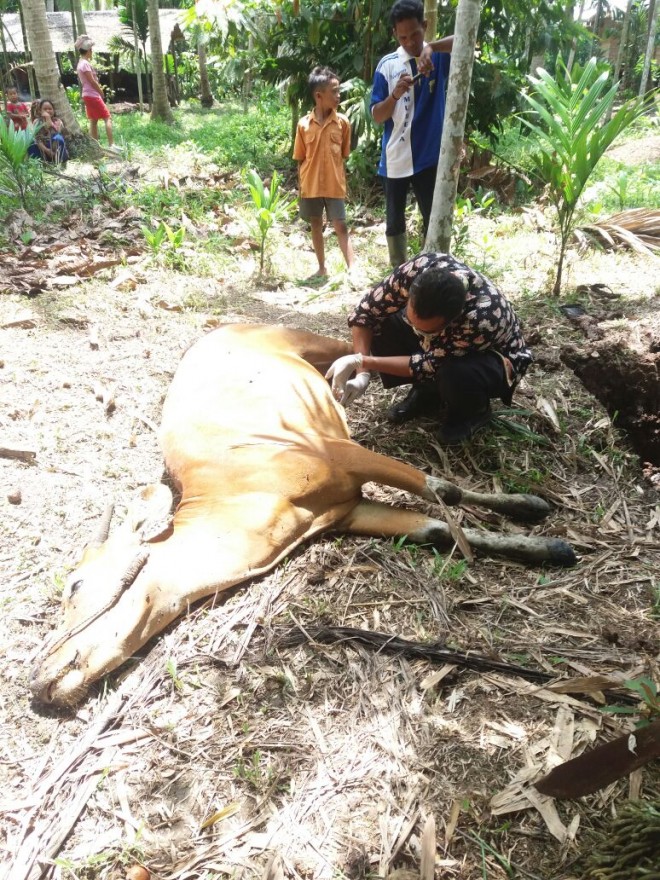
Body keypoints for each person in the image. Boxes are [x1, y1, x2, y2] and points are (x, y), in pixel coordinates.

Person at [325, 253, 533, 446]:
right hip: (441, 347)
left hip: (493, 359)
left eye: (426, 329)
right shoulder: (417, 270)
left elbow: (429, 364)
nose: (415, 330)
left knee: (456, 372)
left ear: (452, 319)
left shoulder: (481, 318)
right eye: (411, 319)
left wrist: (362, 361)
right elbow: (366, 312)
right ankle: (428, 391)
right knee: (384, 323)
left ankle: (473, 411)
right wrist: (362, 375)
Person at [371, 0, 453, 267]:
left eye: (416, 34)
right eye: (403, 36)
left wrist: (431, 46)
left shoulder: (437, 56)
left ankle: (433, 271)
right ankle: (399, 275)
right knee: (395, 223)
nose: (409, 42)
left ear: (425, 26)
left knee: (433, 218)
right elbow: (376, 115)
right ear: (395, 34)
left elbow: (466, 39)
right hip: (395, 158)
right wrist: (394, 95)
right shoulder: (388, 66)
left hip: (429, 158)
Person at [293, 66, 354, 279]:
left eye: (339, 91)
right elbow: (300, 159)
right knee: (316, 224)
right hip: (310, 185)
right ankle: (321, 267)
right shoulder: (303, 125)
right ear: (319, 96)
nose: (338, 96)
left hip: (334, 184)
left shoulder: (343, 123)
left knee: (341, 224)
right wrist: (301, 189)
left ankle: (352, 269)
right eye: (334, 92)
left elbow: (344, 155)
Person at [75, 35, 120, 152]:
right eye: (91, 50)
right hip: (92, 95)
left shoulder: (80, 63)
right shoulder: (85, 64)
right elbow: (92, 81)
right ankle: (112, 145)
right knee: (107, 118)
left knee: (94, 120)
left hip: (87, 95)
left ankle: (94, 147)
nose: (92, 52)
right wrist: (101, 92)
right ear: (88, 50)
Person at [28, 99, 68, 164]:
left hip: (55, 148)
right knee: (31, 144)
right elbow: (38, 139)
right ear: (40, 111)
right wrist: (47, 151)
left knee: (58, 138)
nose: (48, 111)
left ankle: (59, 161)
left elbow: (57, 133)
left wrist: (49, 120)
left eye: (50, 109)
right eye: (45, 109)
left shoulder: (58, 121)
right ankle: (40, 163)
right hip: (43, 149)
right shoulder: (37, 122)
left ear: (54, 111)